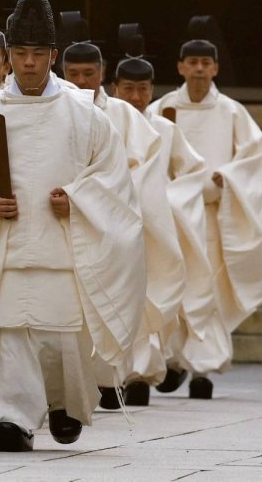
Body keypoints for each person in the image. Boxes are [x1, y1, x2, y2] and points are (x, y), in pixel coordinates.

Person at [0, 0, 145, 452]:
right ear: (9, 57)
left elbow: (112, 180)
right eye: (20, 54)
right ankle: (12, 417)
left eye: (38, 54)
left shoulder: (84, 115)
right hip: (5, 248)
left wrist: (80, 201)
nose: (29, 63)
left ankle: (65, 405)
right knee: (9, 336)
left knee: (59, 340)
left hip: (62, 247)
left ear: (52, 56)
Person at [61, 41, 185, 409]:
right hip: (70, 217)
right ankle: (89, 379)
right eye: (73, 74)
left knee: (123, 292)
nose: (81, 81)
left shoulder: (124, 115)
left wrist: (106, 198)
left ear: (103, 75)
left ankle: (122, 374)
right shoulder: (56, 109)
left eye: (88, 73)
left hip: (119, 218)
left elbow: (144, 166)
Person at [146, 38, 262, 399]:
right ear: (180, 67)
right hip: (172, 216)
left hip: (213, 216)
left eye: (206, 63)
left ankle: (202, 369)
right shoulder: (162, 109)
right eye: (193, 62)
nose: (199, 69)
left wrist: (229, 177)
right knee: (172, 282)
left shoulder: (232, 112)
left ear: (215, 69)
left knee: (210, 289)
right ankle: (172, 359)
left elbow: (252, 156)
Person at [112, 53, 221, 397]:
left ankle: (141, 374)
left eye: (142, 89)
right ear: (115, 88)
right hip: (110, 225)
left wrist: (169, 200)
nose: (134, 97)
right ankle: (112, 372)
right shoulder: (100, 123)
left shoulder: (164, 128)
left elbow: (192, 171)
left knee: (151, 293)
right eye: (128, 89)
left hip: (154, 226)